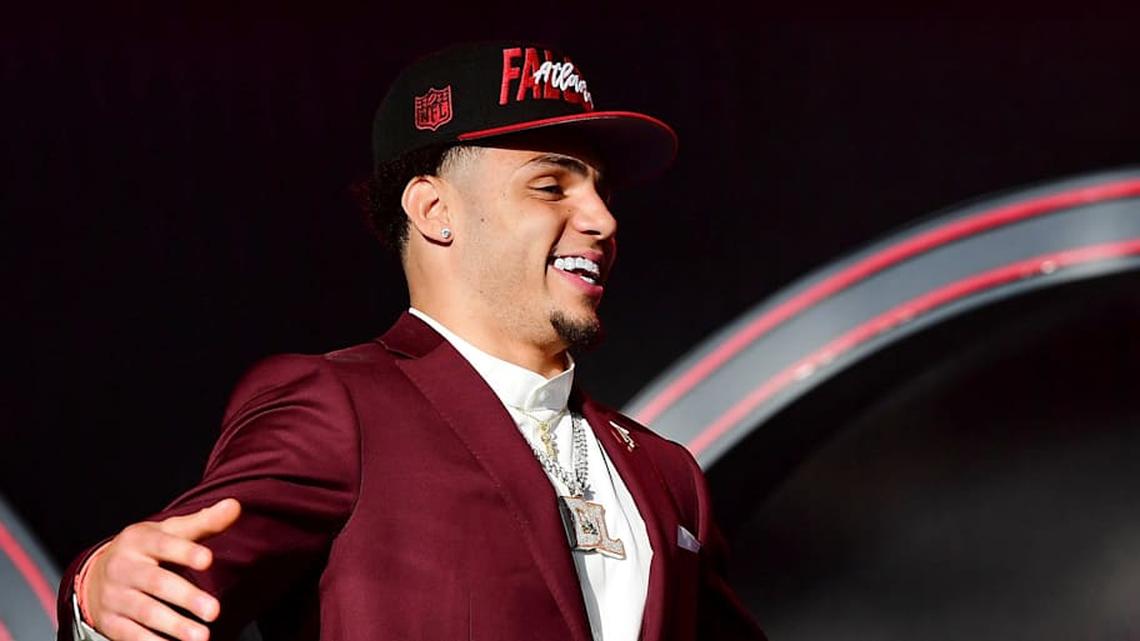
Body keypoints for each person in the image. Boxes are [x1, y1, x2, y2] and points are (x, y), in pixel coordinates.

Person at [56, 41, 765, 641]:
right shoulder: (342, 409)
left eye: (603, 191)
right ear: (435, 210)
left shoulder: (669, 478)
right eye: (551, 185)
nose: (603, 219)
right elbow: (163, 584)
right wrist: (98, 592)